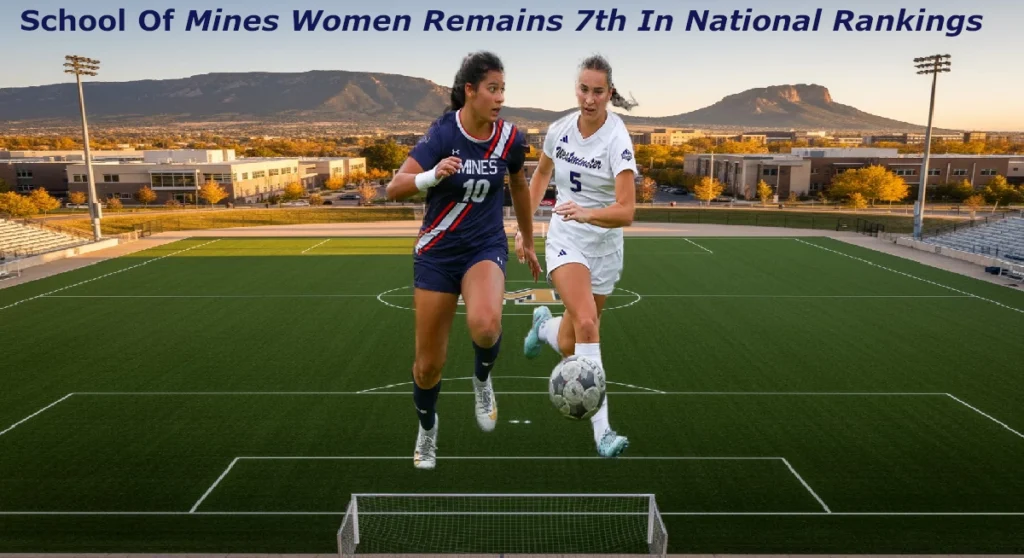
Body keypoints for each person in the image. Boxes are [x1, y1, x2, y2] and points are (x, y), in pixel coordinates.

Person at [386, 51, 542, 470]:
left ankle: (482, 380)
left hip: (483, 247)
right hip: (437, 254)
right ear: (469, 92)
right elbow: (393, 188)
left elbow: (520, 187)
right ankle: (427, 430)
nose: (500, 97)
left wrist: (526, 238)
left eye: (503, 89)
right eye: (492, 89)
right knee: (427, 366)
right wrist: (431, 176)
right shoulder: (442, 134)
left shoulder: (511, 138)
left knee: (487, 326)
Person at [515, 54, 638, 458]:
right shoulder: (559, 130)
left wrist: (589, 212)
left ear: (610, 93)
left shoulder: (617, 139)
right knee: (587, 323)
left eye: (597, 91)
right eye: (583, 89)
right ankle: (603, 433)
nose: (588, 98)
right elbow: (541, 175)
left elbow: (627, 211)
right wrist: (525, 228)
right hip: (566, 238)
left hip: (605, 247)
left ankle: (543, 327)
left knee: (570, 341)